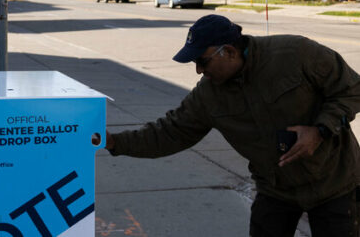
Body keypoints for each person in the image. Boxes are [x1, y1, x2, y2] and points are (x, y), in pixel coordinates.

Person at [100, 14, 360, 237]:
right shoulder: (208, 96)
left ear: (230, 51)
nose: (199, 71)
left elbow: (351, 89)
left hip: (334, 183)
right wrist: (114, 142)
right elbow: (169, 133)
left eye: (203, 61)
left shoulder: (295, 54)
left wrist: (320, 130)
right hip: (276, 189)